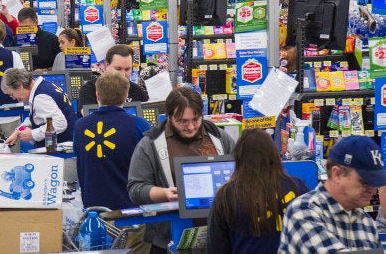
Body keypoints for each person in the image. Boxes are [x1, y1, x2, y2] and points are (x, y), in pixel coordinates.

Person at [127, 86, 235, 252]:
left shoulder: (219, 138)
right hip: (169, 239)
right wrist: (164, 194)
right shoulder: (150, 144)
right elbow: (135, 188)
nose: (191, 127)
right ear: (169, 116)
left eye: (196, 119)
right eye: (183, 121)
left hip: (217, 238)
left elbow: (240, 174)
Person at [74, 71, 151, 253]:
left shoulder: (80, 126)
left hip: (94, 216)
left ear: (97, 95)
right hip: (131, 214)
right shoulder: (139, 125)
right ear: (126, 96)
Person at [207, 129, 309, 254]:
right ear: (274, 155)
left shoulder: (227, 195)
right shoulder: (298, 187)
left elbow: (216, 248)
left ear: (238, 158)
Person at [279, 135, 386, 253]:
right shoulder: (303, 211)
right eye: (365, 182)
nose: (373, 189)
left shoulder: (366, 221)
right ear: (337, 174)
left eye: (375, 182)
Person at [2, 68, 77, 148]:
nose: (13, 98)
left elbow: (60, 124)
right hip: (64, 144)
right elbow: (36, 118)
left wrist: (32, 134)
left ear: (20, 85)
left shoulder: (40, 97)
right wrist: (18, 130)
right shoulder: (44, 87)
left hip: (61, 150)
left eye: (12, 94)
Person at [78, 45, 148, 116]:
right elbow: (88, 117)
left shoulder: (137, 91)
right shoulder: (89, 89)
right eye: (118, 69)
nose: (123, 74)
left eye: (127, 69)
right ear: (107, 65)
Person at [17, 7, 60, 71]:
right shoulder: (16, 40)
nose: (25, 30)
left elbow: (59, 65)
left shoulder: (52, 40)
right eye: (21, 27)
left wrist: (47, 70)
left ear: (36, 22)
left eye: (27, 27)